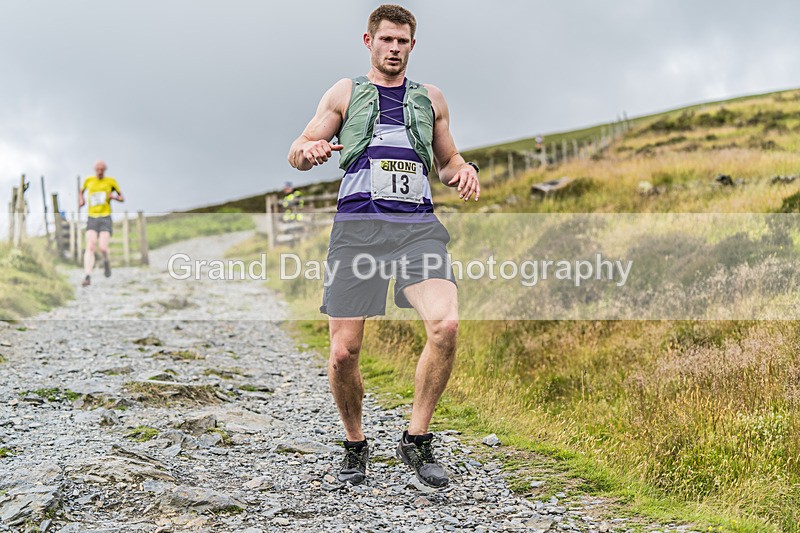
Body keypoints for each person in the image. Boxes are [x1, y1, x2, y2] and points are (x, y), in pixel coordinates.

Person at [287, 4, 480, 488]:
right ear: (368, 41)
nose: (395, 48)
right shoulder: (345, 92)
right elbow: (299, 150)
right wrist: (307, 151)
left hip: (417, 228)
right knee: (343, 353)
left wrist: (464, 170)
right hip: (357, 231)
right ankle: (355, 445)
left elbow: (448, 158)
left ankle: (416, 441)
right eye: (387, 40)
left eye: (403, 41)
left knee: (446, 325)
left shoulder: (430, 98)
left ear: (413, 45)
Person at [78, 160, 124, 287]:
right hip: (92, 217)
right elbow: (81, 192)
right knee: (91, 245)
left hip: (105, 217)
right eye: (97, 169)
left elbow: (122, 198)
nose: (99, 172)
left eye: (102, 169)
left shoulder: (111, 181)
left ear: (105, 170)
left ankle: (106, 262)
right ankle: (87, 275)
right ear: (95, 169)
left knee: (103, 247)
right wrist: (81, 200)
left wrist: (113, 197)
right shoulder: (88, 181)